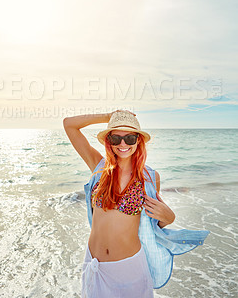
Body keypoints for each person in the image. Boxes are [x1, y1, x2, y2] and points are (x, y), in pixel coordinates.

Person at [63, 110, 210, 298]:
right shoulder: (98, 168)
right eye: (116, 138)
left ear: (138, 141)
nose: (122, 144)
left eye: (130, 138)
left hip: (128, 269)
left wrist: (169, 218)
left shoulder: (149, 178)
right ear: (109, 141)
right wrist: (109, 117)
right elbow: (69, 124)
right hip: (94, 265)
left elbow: (152, 224)